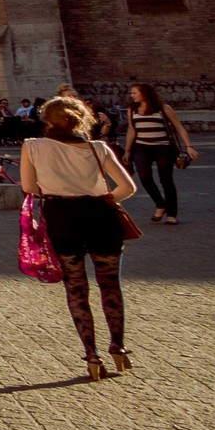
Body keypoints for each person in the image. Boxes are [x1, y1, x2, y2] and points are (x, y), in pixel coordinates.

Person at [22, 97, 139, 381]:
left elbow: (28, 187)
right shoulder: (98, 148)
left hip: (62, 217)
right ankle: (118, 347)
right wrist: (104, 200)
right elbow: (128, 187)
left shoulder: (33, 146)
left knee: (75, 286)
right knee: (110, 284)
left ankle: (91, 354)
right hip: (101, 215)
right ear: (81, 119)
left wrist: (57, 185)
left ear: (47, 121)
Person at [123, 83, 196, 225]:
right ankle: (160, 204)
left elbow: (178, 127)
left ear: (145, 93)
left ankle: (172, 214)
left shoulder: (164, 109)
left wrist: (189, 146)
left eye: (135, 93)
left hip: (163, 148)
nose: (132, 96)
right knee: (144, 177)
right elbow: (132, 129)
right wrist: (127, 150)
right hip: (141, 148)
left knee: (166, 180)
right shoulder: (132, 109)